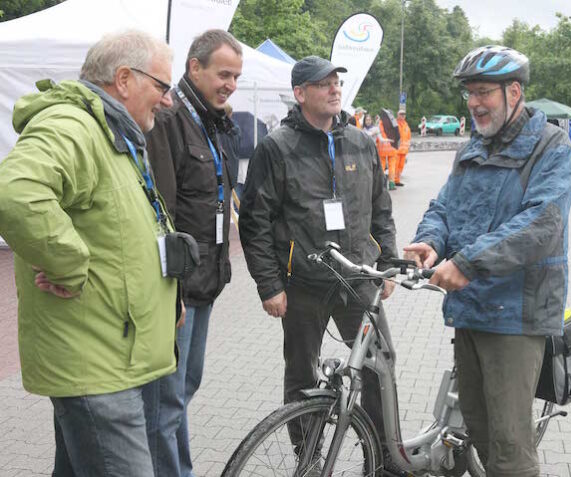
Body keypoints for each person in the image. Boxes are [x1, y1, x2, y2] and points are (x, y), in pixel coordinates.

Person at [0, 31, 178, 476]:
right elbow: (16, 193)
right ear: (124, 79)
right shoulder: (73, 126)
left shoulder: (107, 128)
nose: (169, 101)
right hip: (97, 361)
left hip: (111, 352)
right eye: (162, 86)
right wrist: (70, 265)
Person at [404, 46, 571, 477]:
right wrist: (431, 240)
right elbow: (444, 205)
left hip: (516, 316)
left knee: (509, 447)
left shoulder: (550, 147)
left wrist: (468, 262)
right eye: (470, 94)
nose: (475, 103)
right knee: (477, 430)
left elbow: (541, 223)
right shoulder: (473, 147)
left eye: (484, 92)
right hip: (470, 309)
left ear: (513, 91)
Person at [239, 56, 399, 472]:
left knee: (379, 364)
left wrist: (389, 259)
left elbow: (381, 206)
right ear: (300, 93)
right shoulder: (277, 147)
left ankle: (382, 455)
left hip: (357, 278)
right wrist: (269, 285)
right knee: (301, 375)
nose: (334, 89)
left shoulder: (361, 142)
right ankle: (309, 457)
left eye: (336, 82)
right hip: (304, 282)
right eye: (323, 83)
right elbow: (255, 221)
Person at [143, 29, 242, 477]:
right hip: (178, 287)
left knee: (184, 389)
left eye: (237, 77)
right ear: (194, 68)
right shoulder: (168, 119)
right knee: (166, 399)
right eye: (224, 74)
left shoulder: (219, 120)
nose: (231, 84)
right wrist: (174, 291)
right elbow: (162, 210)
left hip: (206, 281)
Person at [395, 109, 411, 186]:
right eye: (401, 114)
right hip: (397, 150)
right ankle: (394, 180)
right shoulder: (395, 124)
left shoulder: (406, 125)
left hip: (404, 150)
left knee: (400, 167)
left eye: (404, 114)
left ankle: (397, 180)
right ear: (397, 115)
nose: (402, 116)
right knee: (396, 166)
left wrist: (408, 147)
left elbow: (408, 137)